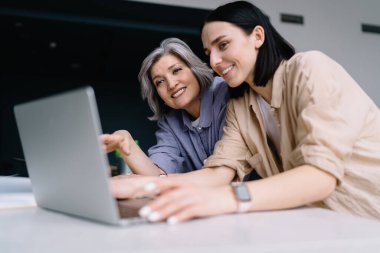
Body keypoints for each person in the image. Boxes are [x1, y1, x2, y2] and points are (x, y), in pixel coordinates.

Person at [111, 1, 380, 224]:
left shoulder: (310, 68)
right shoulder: (241, 104)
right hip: (326, 225)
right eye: (209, 51)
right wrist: (141, 186)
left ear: (258, 37)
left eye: (223, 45)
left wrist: (226, 198)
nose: (214, 61)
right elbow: (219, 173)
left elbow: (320, 176)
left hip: (367, 219)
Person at [101, 38, 229, 176]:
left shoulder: (227, 92)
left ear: (195, 70)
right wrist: (125, 142)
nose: (171, 84)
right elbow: (156, 175)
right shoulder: (170, 122)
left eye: (176, 70)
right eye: (160, 81)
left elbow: (224, 172)